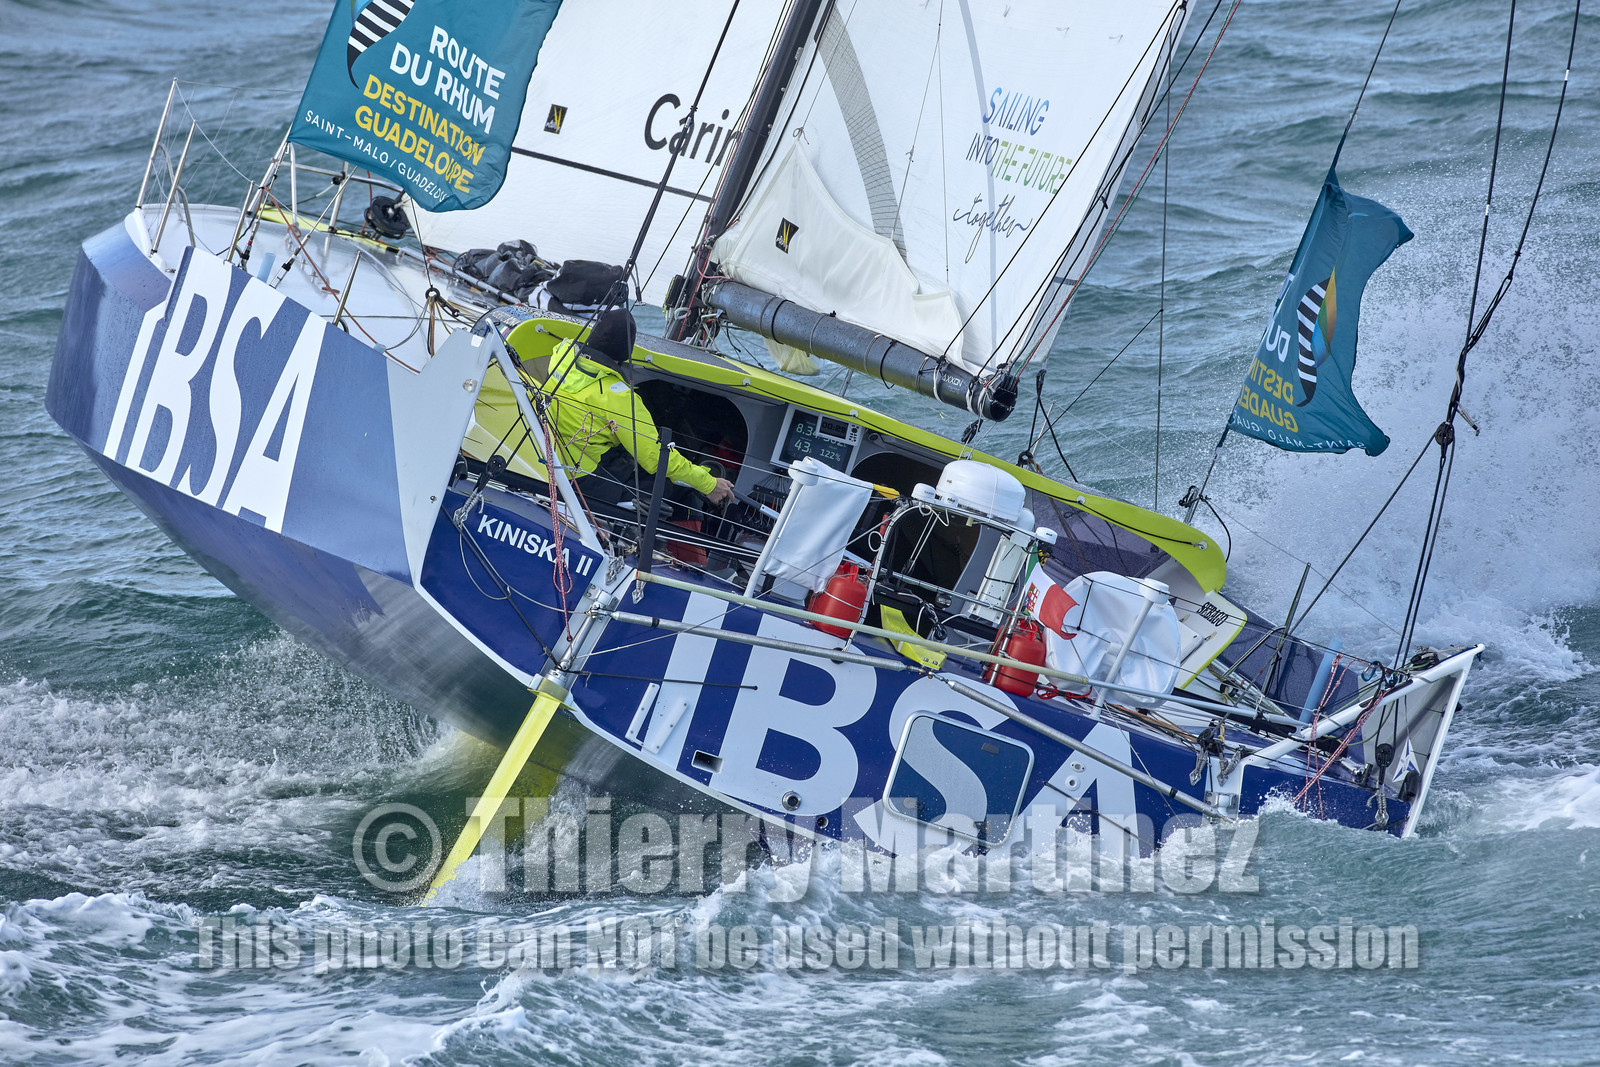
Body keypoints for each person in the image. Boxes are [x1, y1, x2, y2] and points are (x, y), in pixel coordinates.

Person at [530, 308, 734, 506]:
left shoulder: (561, 358)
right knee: (675, 491)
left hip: (548, 459)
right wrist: (708, 484)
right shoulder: (617, 395)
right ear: (625, 350)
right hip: (585, 479)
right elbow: (654, 457)